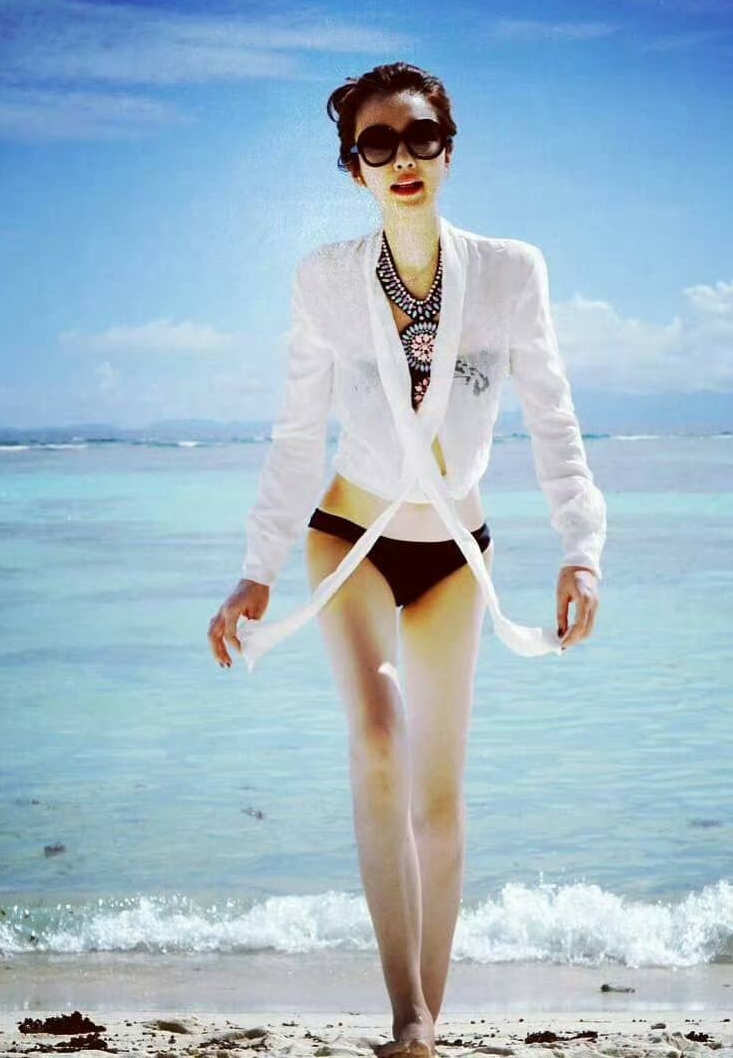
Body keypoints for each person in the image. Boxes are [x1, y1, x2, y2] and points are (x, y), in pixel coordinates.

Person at [208, 62, 606, 1057]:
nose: (402, 158)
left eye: (420, 136)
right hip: (352, 542)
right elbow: (296, 436)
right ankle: (407, 1015)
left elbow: (554, 419)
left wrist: (582, 549)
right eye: (377, 144)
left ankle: (428, 1023)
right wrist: (257, 567)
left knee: (440, 793)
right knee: (380, 738)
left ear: (448, 149)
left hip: (457, 557)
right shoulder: (326, 281)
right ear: (355, 168)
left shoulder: (510, 273)